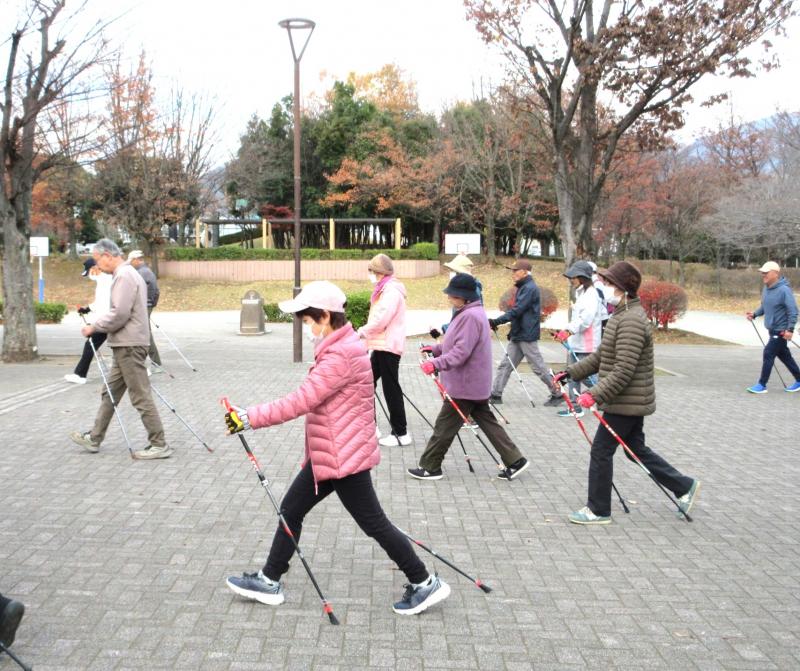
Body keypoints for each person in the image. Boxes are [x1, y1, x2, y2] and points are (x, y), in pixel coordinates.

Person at [223, 281, 450, 616]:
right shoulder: (341, 346)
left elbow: (301, 400)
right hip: (333, 451)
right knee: (292, 509)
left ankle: (423, 581)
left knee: (374, 523)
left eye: (308, 320)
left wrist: (248, 417)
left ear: (325, 316)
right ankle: (269, 579)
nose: (306, 326)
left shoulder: (340, 355)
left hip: (343, 455)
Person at [555, 261, 700, 525]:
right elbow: (602, 356)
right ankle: (684, 486)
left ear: (621, 288)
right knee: (635, 450)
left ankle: (598, 510)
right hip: (627, 400)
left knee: (601, 451)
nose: (604, 287)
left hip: (627, 401)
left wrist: (593, 394)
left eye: (608, 283)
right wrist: (570, 373)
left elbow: (623, 370)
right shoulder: (619, 315)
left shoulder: (631, 320)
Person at [409, 273, 529, 481]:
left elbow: (461, 352)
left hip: (465, 384)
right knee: (488, 422)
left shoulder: (470, 316)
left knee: (444, 427)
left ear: (464, 297)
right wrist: (436, 349)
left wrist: (435, 363)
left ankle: (430, 467)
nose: (449, 298)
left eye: (453, 295)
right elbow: (455, 345)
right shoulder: (469, 313)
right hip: (473, 384)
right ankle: (515, 460)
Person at [69, 238, 171, 460]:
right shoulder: (126, 274)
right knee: (110, 393)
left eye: (97, 260)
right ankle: (94, 437)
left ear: (108, 255)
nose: (98, 266)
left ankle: (159, 444)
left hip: (129, 344)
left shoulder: (124, 275)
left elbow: (120, 313)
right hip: (126, 343)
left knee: (140, 395)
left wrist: (94, 327)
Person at [488, 259, 562, 406]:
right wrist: (512, 330)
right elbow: (519, 312)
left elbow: (518, 310)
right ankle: (496, 394)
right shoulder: (524, 287)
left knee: (538, 367)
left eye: (515, 271)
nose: (513, 273)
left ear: (524, 272)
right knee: (506, 365)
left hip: (526, 335)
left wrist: (497, 321)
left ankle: (557, 393)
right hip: (519, 333)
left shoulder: (529, 288)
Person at [358, 253, 411, 446]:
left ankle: (401, 433)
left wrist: (361, 332)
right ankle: (371, 427)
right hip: (381, 345)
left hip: (388, 345)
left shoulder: (391, 291)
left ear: (379, 272)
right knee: (365, 383)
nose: (370, 274)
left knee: (391, 389)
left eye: (371, 271)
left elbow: (380, 319)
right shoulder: (384, 289)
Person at [552, 260, 604, 417]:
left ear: (582, 277)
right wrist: (565, 331)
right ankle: (576, 407)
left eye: (573, 277)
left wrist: (568, 331)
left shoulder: (591, 295)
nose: (571, 280)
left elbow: (585, 320)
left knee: (584, 376)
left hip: (586, 344)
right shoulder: (581, 293)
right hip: (577, 342)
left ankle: (604, 397)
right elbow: (577, 319)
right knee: (573, 374)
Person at [745, 261, 800, 393]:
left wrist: (790, 329)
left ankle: (762, 384)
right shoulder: (766, 289)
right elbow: (765, 306)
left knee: (768, 353)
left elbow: (793, 311)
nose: (763, 274)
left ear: (775, 273)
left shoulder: (784, 290)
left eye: (766, 272)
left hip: (781, 331)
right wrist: (755, 314)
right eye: (762, 272)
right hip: (772, 330)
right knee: (785, 356)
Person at [64, 258, 113, 384]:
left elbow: (104, 305)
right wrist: (87, 309)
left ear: (95, 268)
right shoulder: (103, 280)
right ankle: (141, 370)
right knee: (118, 347)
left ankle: (80, 375)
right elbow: (99, 303)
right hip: (108, 319)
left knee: (90, 345)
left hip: (107, 319)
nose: (89, 276)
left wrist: (94, 325)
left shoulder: (105, 281)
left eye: (89, 272)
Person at [430, 254, 483, 339]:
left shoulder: (472, 291)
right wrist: (443, 329)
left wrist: (444, 329)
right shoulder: (470, 288)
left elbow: (465, 323)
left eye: (457, 272)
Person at [128, 250, 162, 373]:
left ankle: (156, 363)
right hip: (145, 305)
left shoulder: (141, 273)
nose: (130, 264)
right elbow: (156, 292)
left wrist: (147, 305)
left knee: (145, 334)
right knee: (144, 333)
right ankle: (151, 362)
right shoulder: (144, 271)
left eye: (131, 261)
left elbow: (135, 291)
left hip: (143, 306)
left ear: (137, 260)